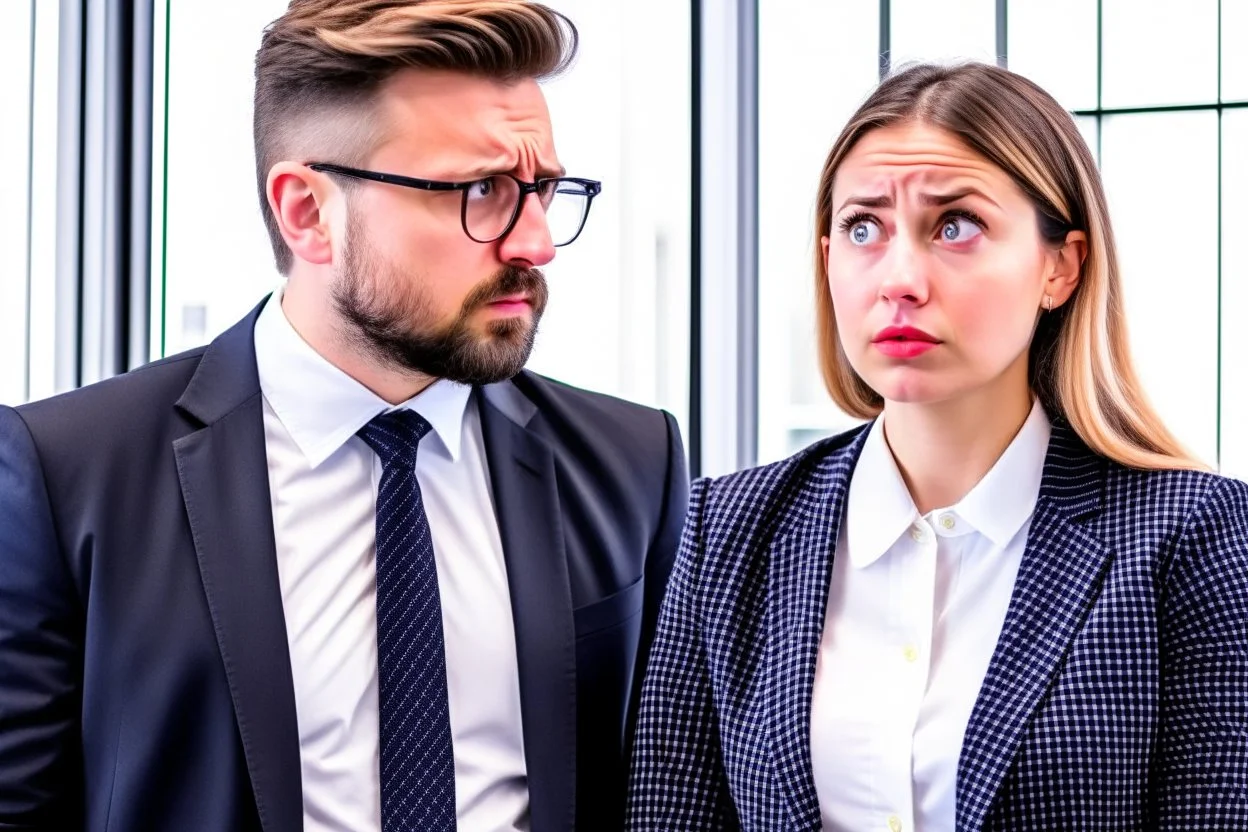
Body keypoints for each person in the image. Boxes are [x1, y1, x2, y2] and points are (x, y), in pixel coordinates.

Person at [0, 1, 688, 830]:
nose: (534, 242)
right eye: (482, 190)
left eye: (542, 189)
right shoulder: (68, 469)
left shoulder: (631, 462)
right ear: (307, 213)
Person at [626, 61, 1248, 831]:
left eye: (955, 225)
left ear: (1061, 265)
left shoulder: (1195, 535)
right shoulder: (729, 527)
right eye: (864, 228)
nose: (901, 278)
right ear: (827, 260)